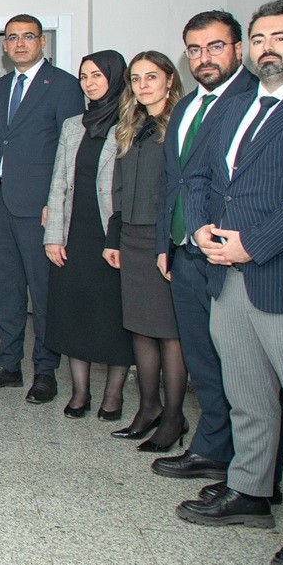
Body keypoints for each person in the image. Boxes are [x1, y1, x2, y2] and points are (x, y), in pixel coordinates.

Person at [176, 0, 283, 565]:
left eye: (279, 37)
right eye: (259, 39)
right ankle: (251, 491)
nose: (267, 48)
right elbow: (200, 175)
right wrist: (201, 228)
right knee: (247, 393)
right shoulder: (236, 106)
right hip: (226, 277)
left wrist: (252, 244)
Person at [149, 10, 276, 486]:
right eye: (195, 50)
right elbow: (175, 180)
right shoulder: (186, 107)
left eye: (216, 47)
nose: (204, 58)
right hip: (185, 252)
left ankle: (255, 471)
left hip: (235, 256)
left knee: (246, 371)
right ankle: (213, 449)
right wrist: (166, 242)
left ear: (239, 50)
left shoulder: (255, 100)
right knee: (202, 359)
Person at [0, 14, 85, 403]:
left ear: (42, 42)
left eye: (28, 37)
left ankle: (45, 371)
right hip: (1, 204)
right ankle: (8, 365)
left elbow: (70, 152)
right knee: (7, 291)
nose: (20, 44)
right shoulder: (0, 87)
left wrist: (57, 204)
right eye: (12, 38)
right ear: (5, 45)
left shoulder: (64, 86)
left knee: (43, 293)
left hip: (40, 208)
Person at [42, 51, 133, 419]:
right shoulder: (72, 125)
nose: (90, 83)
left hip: (113, 235)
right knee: (73, 314)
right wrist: (53, 235)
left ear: (115, 77)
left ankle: (113, 395)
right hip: (74, 233)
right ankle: (80, 392)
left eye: (97, 75)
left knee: (113, 317)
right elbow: (59, 182)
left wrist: (120, 237)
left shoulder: (131, 123)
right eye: (84, 76)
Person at [105, 51, 186, 449]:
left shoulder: (180, 124)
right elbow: (118, 188)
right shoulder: (131, 126)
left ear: (169, 80)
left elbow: (179, 190)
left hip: (162, 239)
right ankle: (149, 407)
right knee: (139, 327)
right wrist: (113, 237)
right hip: (131, 238)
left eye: (151, 77)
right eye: (136, 79)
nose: (142, 85)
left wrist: (167, 243)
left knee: (169, 333)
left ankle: (174, 418)